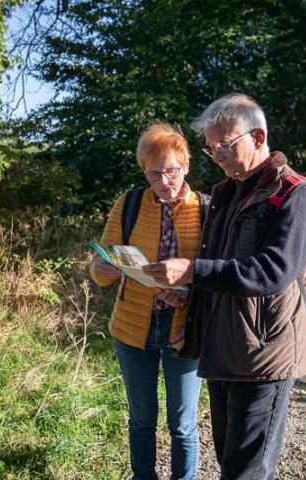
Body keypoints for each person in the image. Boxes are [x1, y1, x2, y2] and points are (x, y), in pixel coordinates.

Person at [142, 93, 306, 479]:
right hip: (223, 350)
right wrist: (189, 323)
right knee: (231, 464)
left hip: (264, 357)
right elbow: (217, 270)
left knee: (246, 472)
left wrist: (191, 270)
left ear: (257, 138)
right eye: (211, 149)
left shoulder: (298, 196)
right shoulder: (228, 192)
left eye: (224, 146)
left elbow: (271, 272)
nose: (217, 156)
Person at [89, 123, 207, 480]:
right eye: (153, 174)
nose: (163, 181)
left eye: (170, 170)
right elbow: (103, 262)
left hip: (184, 330)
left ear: (186, 165)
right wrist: (102, 270)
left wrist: (186, 293)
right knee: (141, 420)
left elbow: (216, 275)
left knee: (182, 423)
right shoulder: (128, 204)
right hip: (132, 327)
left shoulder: (207, 209)